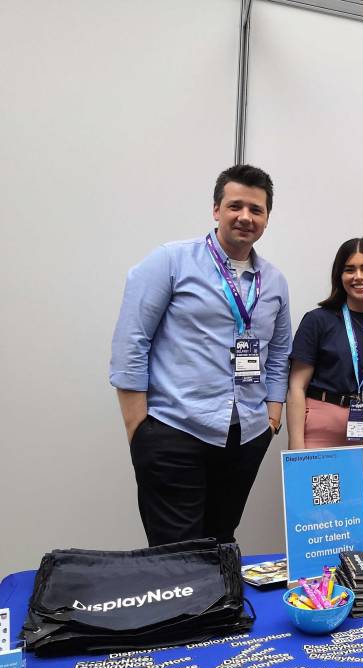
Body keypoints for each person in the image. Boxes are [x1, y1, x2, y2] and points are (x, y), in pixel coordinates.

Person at [110, 164, 291, 546]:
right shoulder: (171, 261)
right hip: (175, 429)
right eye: (235, 206)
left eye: (256, 210)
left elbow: (278, 353)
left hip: (246, 436)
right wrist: (139, 430)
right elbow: (132, 340)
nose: (245, 217)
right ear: (216, 209)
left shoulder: (273, 280)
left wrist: (272, 415)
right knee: (175, 552)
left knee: (221, 542)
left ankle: (218, 609)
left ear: (267, 218)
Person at [286, 237, 363, 511]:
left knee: (356, 519)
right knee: (321, 519)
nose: (358, 277)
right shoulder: (319, 320)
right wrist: (297, 449)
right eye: (349, 269)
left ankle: (352, 558)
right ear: (339, 275)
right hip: (321, 437)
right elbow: (296, 386)